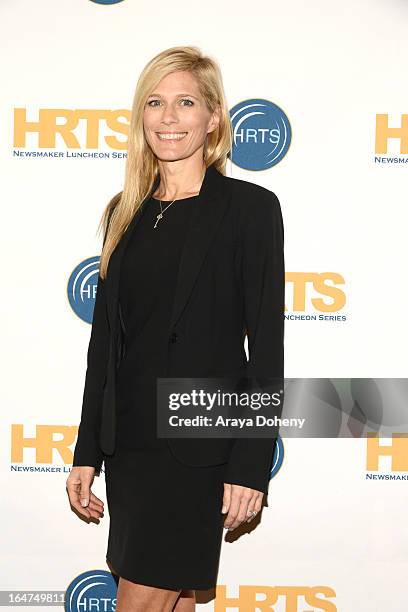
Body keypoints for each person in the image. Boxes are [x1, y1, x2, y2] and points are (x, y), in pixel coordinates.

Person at [66, 45, 285, 611]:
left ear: (213, 118)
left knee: (139, 599)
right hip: (131, 449)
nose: (168, 117)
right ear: (141, 116)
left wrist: (250, 463)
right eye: (155, 102)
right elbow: (105, 348)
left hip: (197, 445)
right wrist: (88, 449)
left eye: (185, 102)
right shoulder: (126, 211)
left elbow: (266, 346)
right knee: (173, 599)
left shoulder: (249, 209)